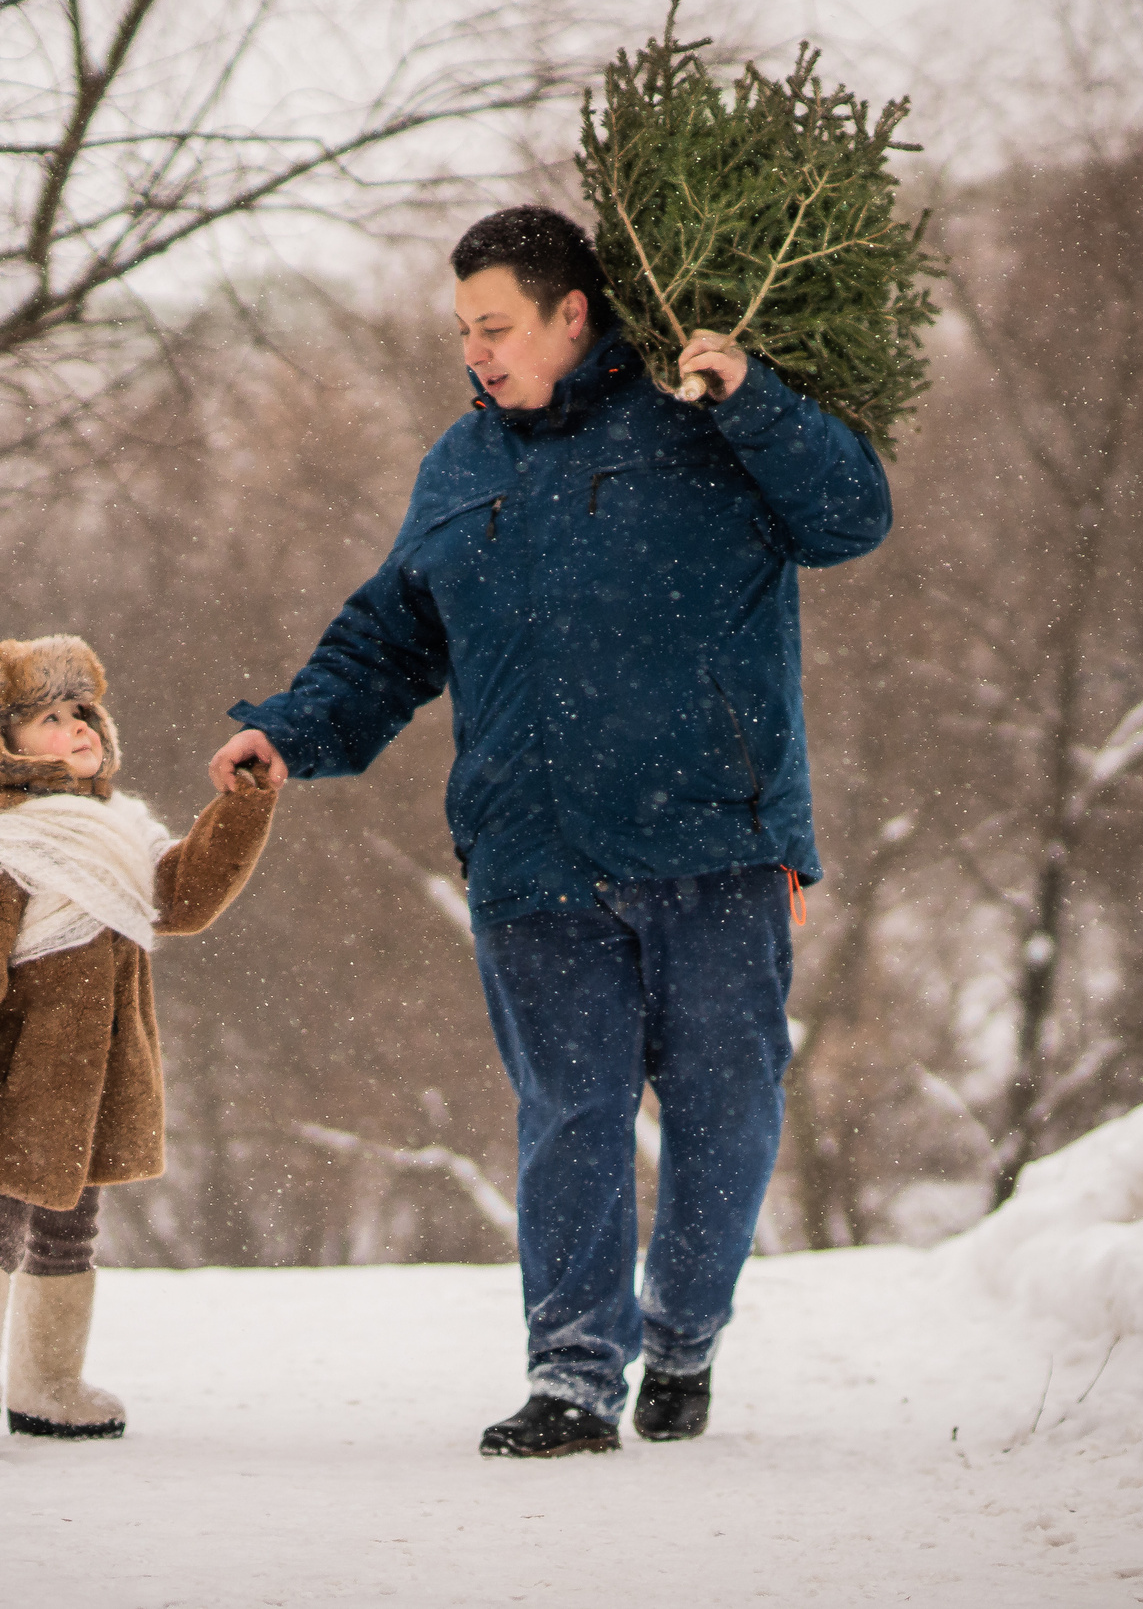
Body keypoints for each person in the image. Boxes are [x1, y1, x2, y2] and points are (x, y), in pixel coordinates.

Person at [210, 207, 889, 1456]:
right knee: (569, 1109)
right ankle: (574, 1375)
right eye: (463, 330)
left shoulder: (703, 418)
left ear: (572, 314)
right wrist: (292, 731)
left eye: (495, 326)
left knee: (723, 1103)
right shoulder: (459, 469)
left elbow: (851, 517)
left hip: (713, 837)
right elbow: (389, 640)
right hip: (533, 853)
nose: (475, 352)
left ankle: (683, 1332)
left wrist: (754, 399)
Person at [0, 634, 275, 1460]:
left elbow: (182, 898)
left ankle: (48, 1385)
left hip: (98, 1074)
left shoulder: (119, 832)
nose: (76, 726)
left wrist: (241, 808)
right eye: (47, 716)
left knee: (72, 1227)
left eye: (81, 710)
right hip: (14, 1077)